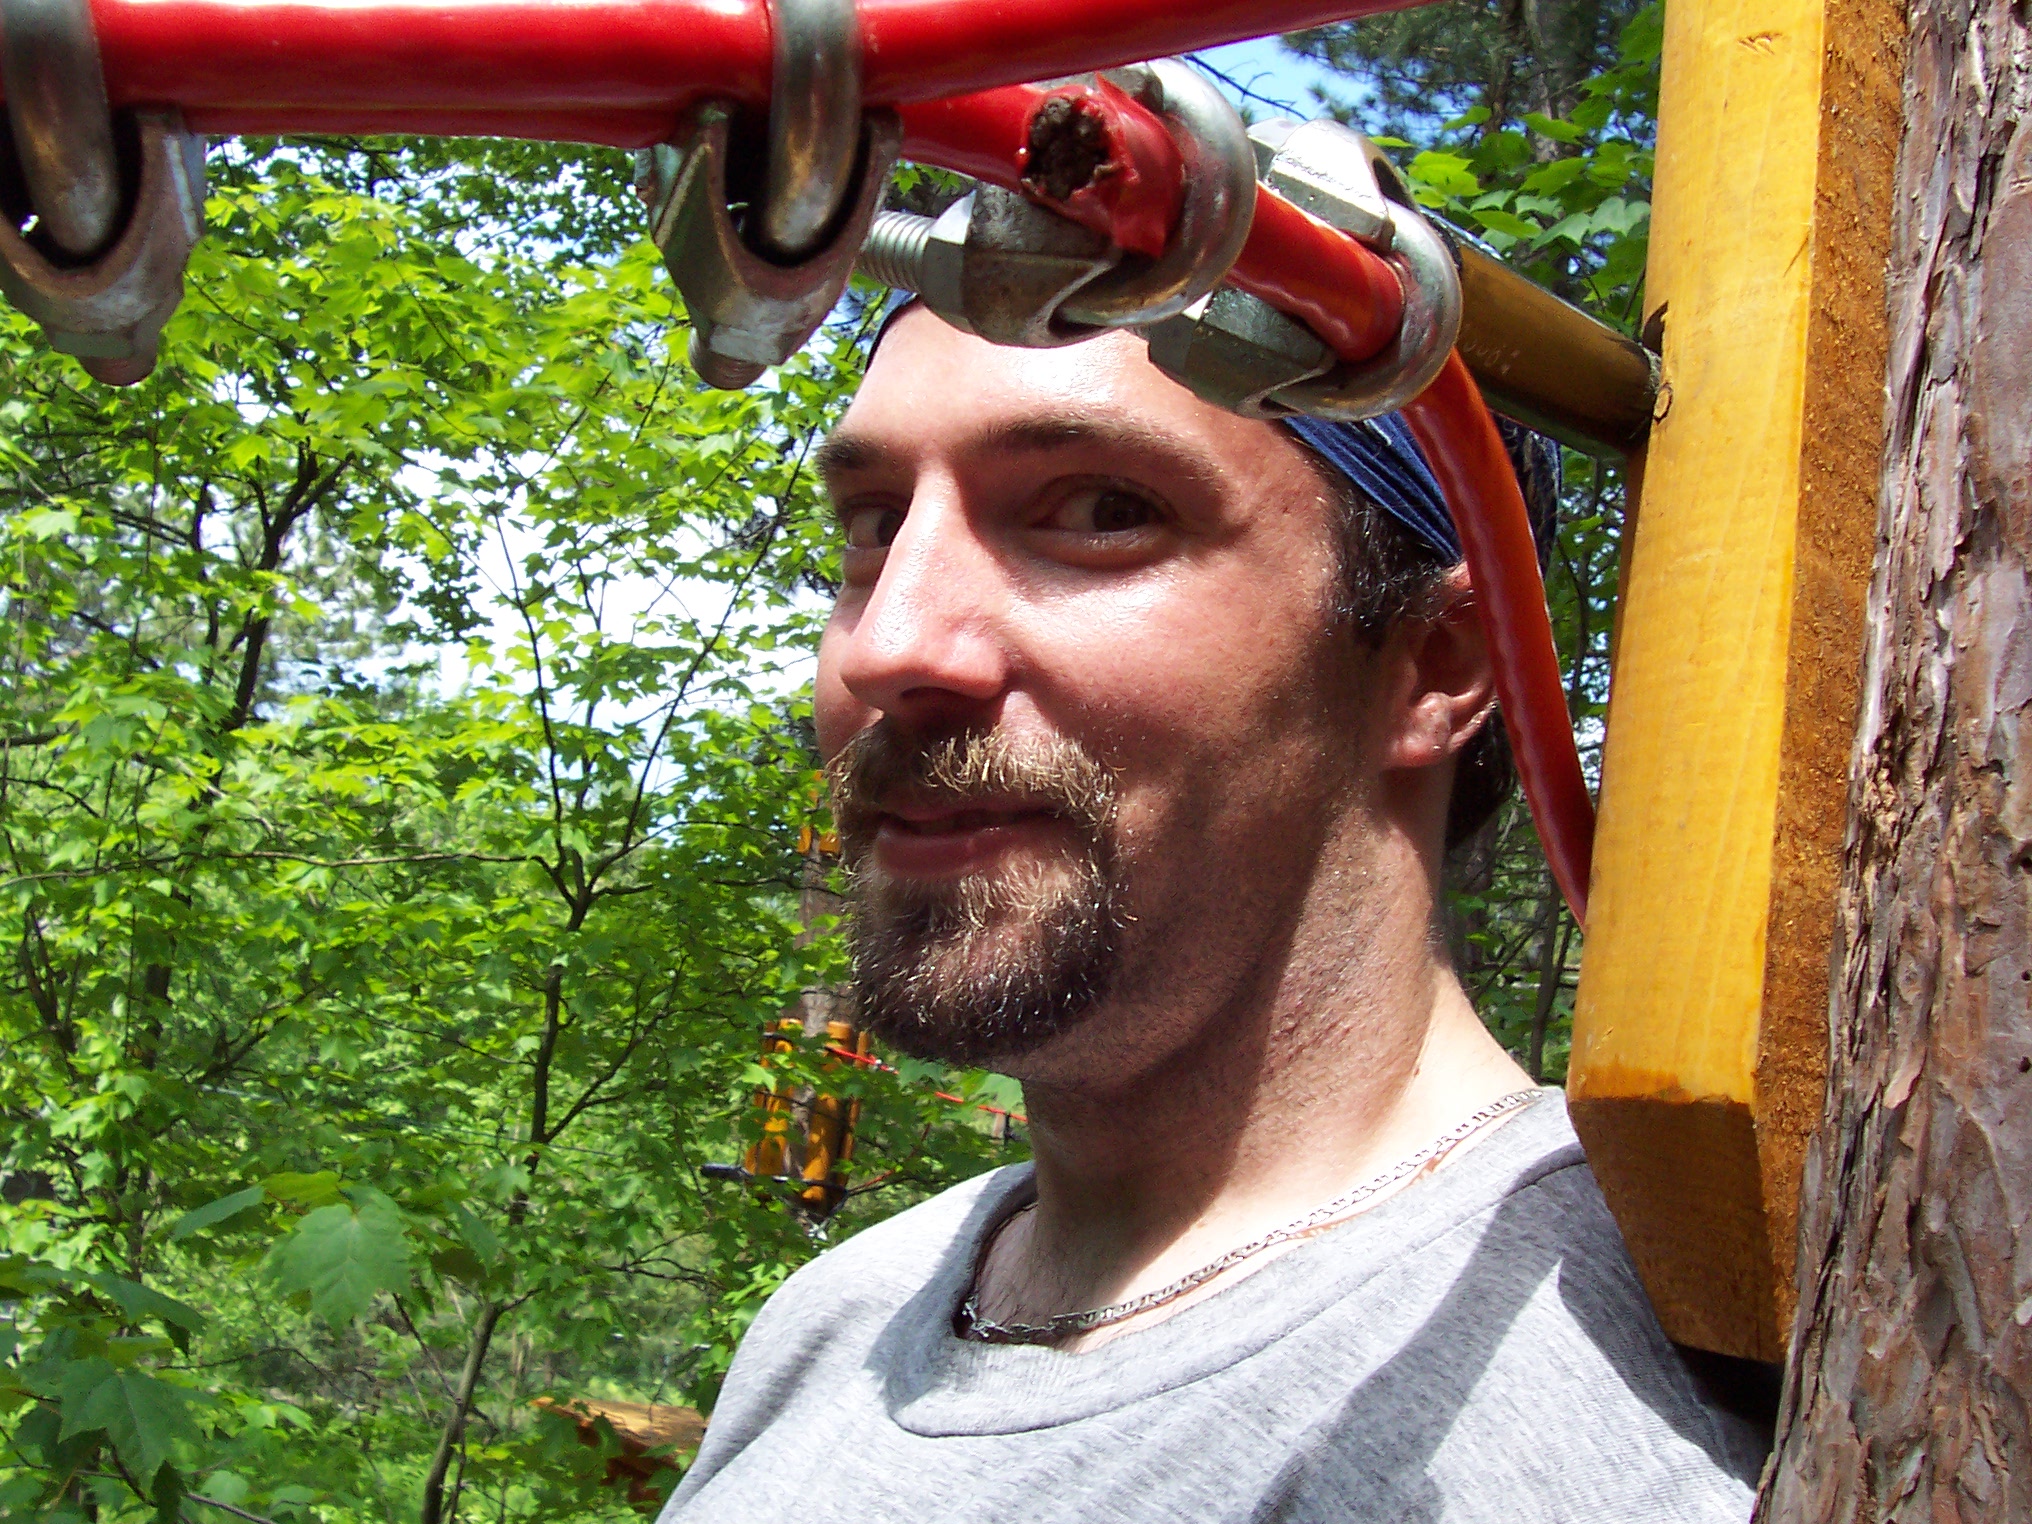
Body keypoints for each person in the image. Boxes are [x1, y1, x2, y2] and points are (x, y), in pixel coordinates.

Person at [663, 301, 1766, 1522]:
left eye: (1102, 511)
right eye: (875, 527)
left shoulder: (1562, 1428)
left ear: (1439, 662)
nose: (885, 647)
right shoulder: (840, 1319)